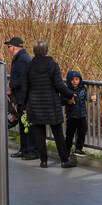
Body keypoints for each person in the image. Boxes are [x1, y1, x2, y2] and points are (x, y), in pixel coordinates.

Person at [24, 40, 76, 168]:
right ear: (47, 51)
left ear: (34, 51)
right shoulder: (53, 65)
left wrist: (24, 105)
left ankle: (43, 161)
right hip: (51, 104)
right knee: (58, 133)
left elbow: (25, 87)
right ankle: (64, 160)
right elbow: (59, 85)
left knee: (39, 134)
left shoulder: (30, 66)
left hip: (35, 105)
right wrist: (70, 94)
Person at [4, 37, 36, 159]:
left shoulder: (22, 59)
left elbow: (23, 80)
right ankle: (24, 149)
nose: (9, 49)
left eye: (9, 47)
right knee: (23, 125)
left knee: (27, 125)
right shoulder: (21, 58)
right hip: (21, 97)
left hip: (24, 98)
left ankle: (30, 150)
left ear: (15, 47)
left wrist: (11, 85)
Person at [63, 70, 88, 158]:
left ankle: (78, 149)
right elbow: (61, 100)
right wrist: (67, 101)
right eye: (72, 80)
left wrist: (93, 97)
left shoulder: (83, 89)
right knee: (70, 133)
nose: (74, 82)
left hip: (82, 115)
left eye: (77, 79)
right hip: (72, 116)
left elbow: (88, 97)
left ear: (80, 80)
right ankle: (67, 149)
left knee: (82, 131)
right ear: (69, 81)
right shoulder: (66, 90)